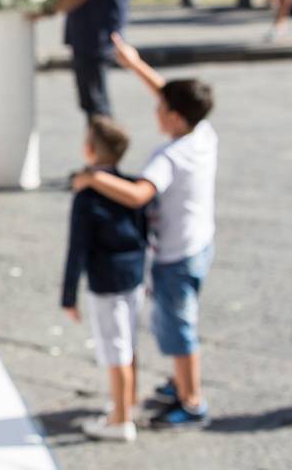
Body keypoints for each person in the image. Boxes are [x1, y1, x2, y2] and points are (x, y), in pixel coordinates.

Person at [74, 32, 215, 430]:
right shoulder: (202, 132)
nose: (156, 109)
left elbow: (137, 195)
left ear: (174, 118)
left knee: (178, 329)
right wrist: (134, 63)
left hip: (175, 254)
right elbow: (169, 94)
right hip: (199, 242)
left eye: (162, 107)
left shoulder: (170, 156)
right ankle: (181, 382)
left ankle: (191, 400)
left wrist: (92, 178)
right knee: (179, 321)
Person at [62, 116, 148, 442]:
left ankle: (120, 420)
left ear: (89, 149)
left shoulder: (87, 196)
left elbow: (77, 249)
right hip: (133, 273)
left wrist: (68, 295)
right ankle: (130, 401)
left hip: (106, 280)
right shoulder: (131, 185)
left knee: (115, 349)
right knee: (130, 342)